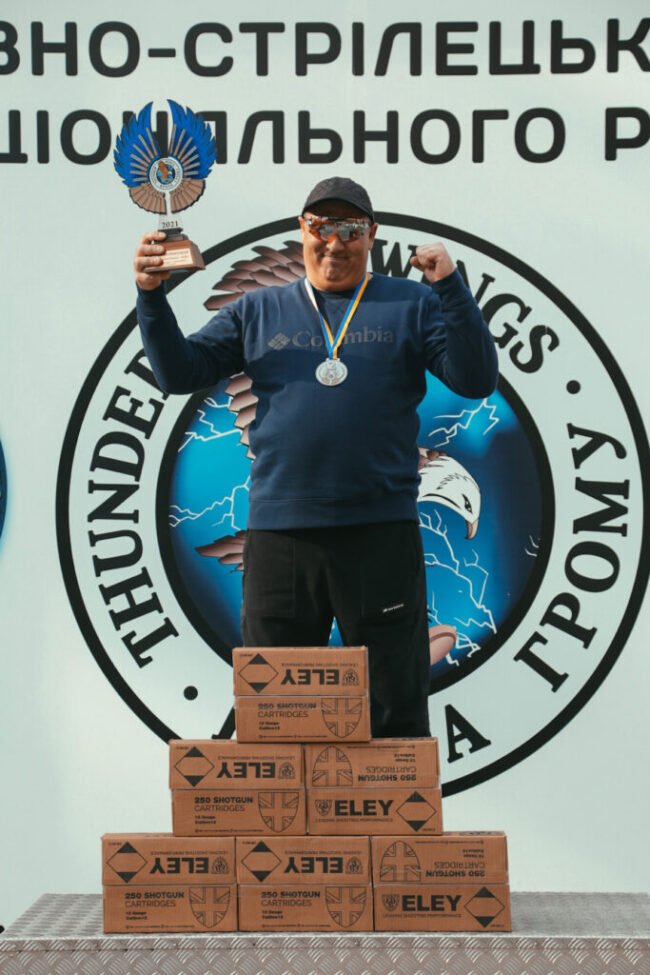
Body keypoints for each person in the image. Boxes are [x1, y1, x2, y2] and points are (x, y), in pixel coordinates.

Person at [133, 176, 498, 738]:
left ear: (371, 234)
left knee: (395, 712)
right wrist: (151, 298)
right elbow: (177, 372)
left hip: (380, 534)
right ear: (301, 230)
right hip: (283, 539)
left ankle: (397, 801)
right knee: (276, 719)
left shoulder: (411, 302)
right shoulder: (257, 311)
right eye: (322, 226)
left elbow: (475, 379)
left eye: (349, 228)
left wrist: (450, 287)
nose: (335, 242)